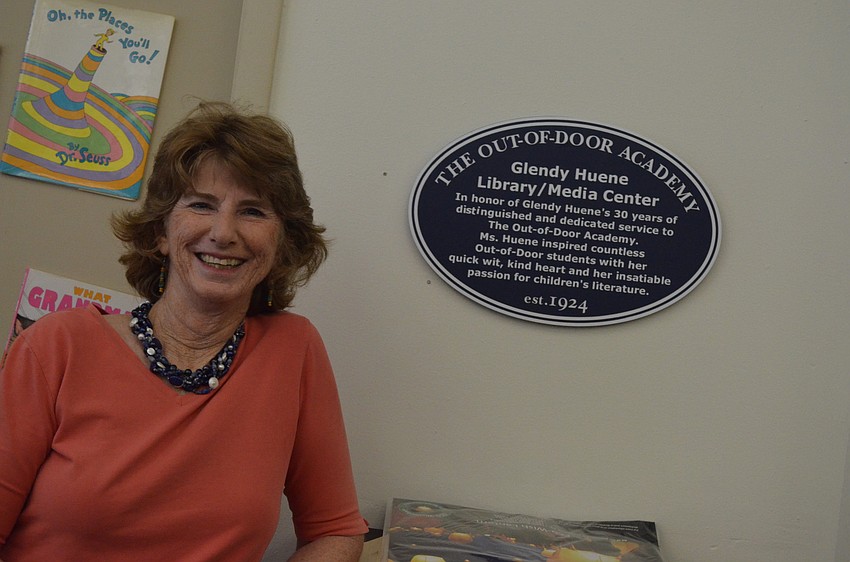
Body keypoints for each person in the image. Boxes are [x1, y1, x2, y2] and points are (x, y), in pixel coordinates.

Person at [0, 101, 367, 561]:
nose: (223, 232)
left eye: (252, 211)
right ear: (160, 230)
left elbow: (335, 531)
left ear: (282, 242)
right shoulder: (57, 346)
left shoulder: (294, 350)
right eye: (201, 205)